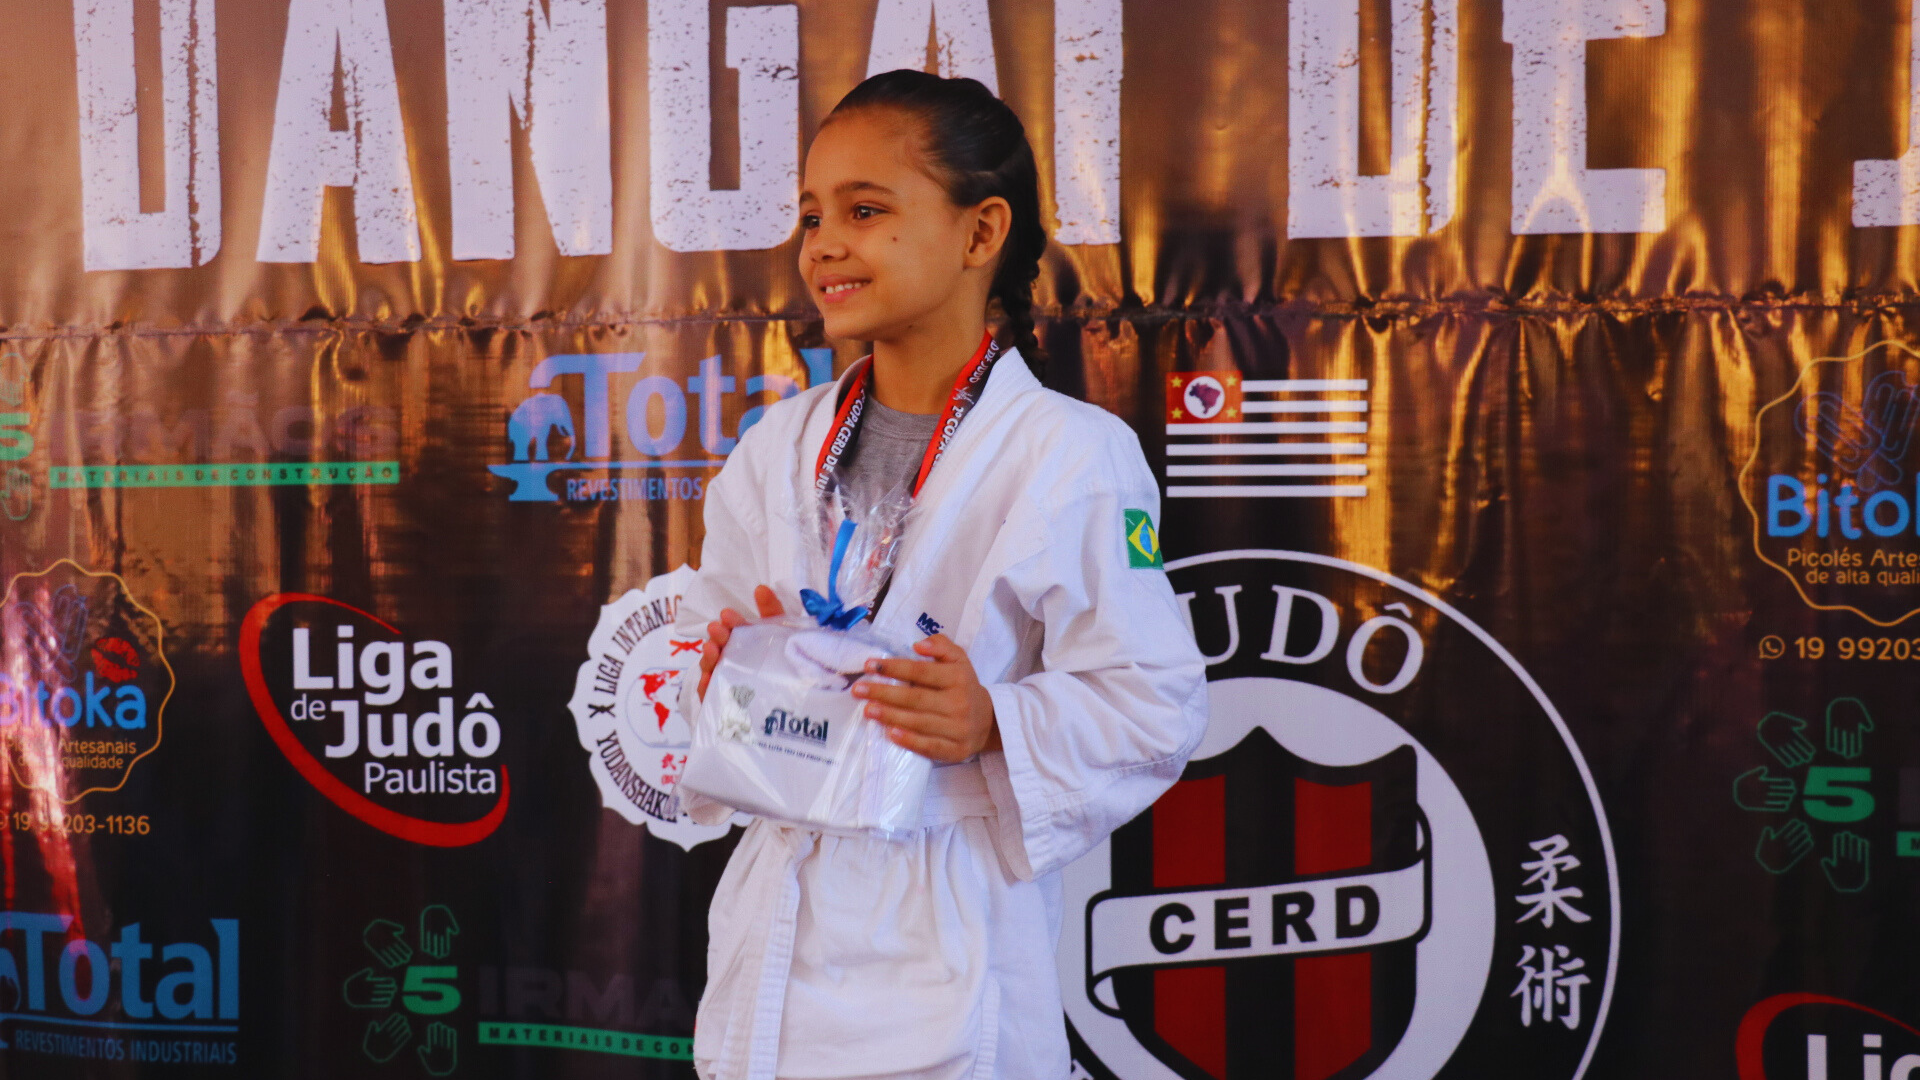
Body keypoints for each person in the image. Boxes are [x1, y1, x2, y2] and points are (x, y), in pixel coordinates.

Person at [675, 69, 1208, 1080]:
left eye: (865, 211)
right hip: (774, 939)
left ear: (980, 232)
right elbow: (711, 669)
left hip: (948, 946)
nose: (822, 244)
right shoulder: (778, 447)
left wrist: (993, 719)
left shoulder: (1067, 454)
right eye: (811, 216)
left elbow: (1155, 702)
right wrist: (728, 681)